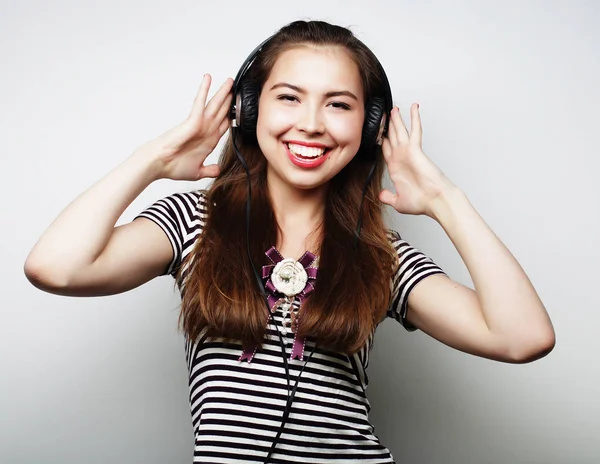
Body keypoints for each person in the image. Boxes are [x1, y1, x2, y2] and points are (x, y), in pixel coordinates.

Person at [24, 20, 555, 464]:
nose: (311, 124)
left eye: (338, 105)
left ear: (369, 127)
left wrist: (444, 199)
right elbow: (56, 268)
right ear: (249, 111)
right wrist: (155, 161)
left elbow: (522, 338)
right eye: (289, 97)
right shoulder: (192, 224)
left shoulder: (382, 258)